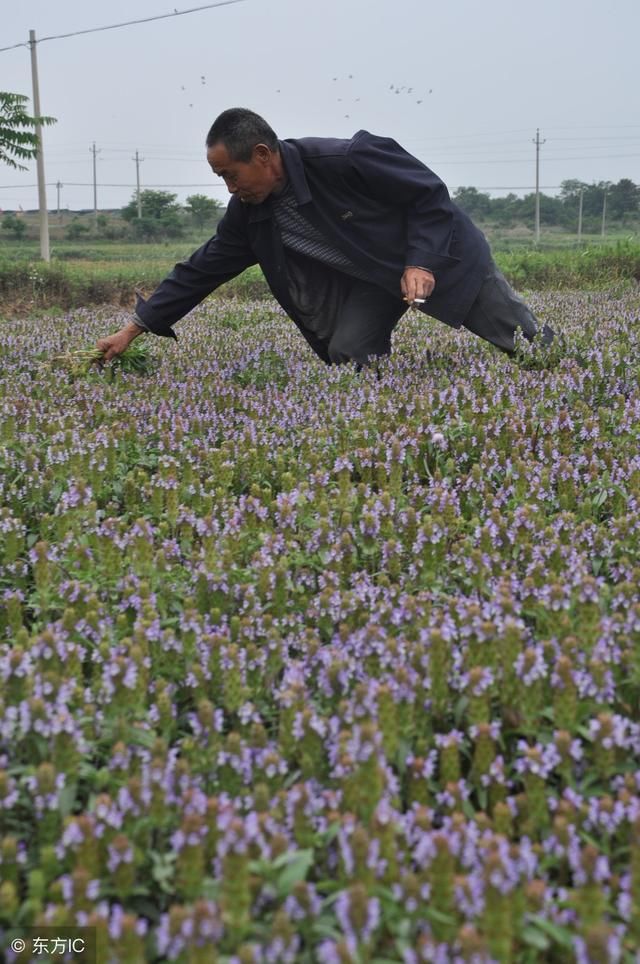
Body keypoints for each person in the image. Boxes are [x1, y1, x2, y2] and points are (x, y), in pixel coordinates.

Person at [96, 107, 553, 367]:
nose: (230, 188)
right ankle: (383, 422)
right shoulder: (249, 214)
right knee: (349, 353)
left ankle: (574, 374)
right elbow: (201, 269)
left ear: (262, 155)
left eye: (231, 175)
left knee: (527, 343)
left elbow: (429, 195)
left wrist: (421, 262)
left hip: (441, 256)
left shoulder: (346, 158)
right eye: (221, 179)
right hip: (374, 279)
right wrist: (133, 329)